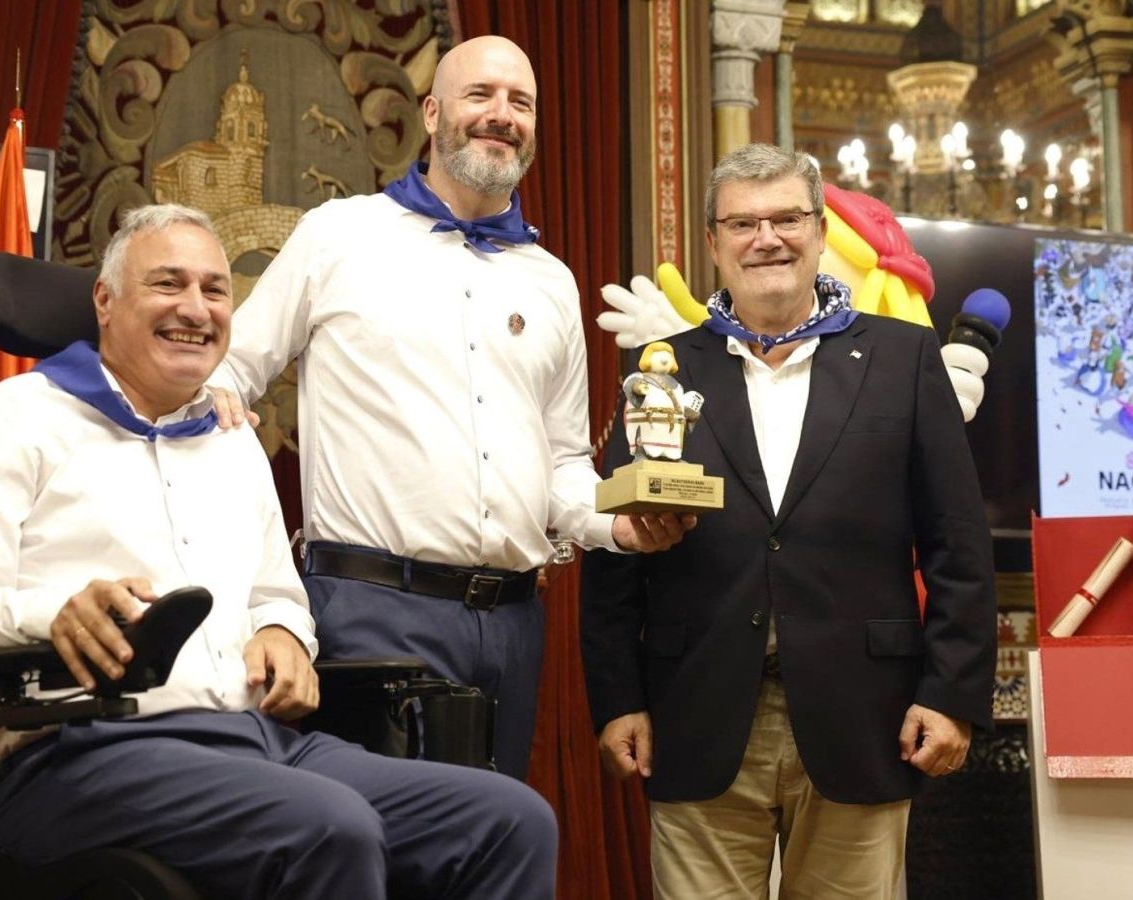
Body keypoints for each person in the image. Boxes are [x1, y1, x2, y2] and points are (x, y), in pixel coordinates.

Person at [0, 204, 557, 900]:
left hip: (254, 741)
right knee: (331, 825)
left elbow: (274, 594)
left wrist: (284, 632)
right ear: (104, 301)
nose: (195, 309)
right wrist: (50, 614)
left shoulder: (231, 440)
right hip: (82, 751)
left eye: (215, 289)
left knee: (510, 820)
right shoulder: (20, 416)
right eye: (168, 284)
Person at [210, 35, 691, 779]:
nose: (502, 114)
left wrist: (617, 526)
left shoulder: (551, 281)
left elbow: (564, 462)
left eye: (520, 102)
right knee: (372, 837)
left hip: (513, 624)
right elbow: (230, 371)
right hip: (369, 608)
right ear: (432, 113)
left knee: (494, 834)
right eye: (481, 95)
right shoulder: (338, 236)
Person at [579, 144, 997, 899]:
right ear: (714, 243)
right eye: (743, 223)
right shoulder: (661, 369)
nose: (765, 239)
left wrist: (951, 693)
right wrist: (617, 700)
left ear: (819, 231)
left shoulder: (904, 358)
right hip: (695, 714)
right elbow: (616, 550)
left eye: (786, 219)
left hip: (866, 718)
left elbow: (957, 545)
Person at [622, 341, 703, 461]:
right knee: (647, 439)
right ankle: (641, 453)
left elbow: (680, 406)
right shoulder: (640, 378)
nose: (664, 360)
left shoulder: (677, 386)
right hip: (648, 423)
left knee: (671, 447)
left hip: (671, 426)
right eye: (658, 356)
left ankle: (672, 458)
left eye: (668, 356)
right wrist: (638, 388)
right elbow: (630, 386)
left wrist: (690, 414)